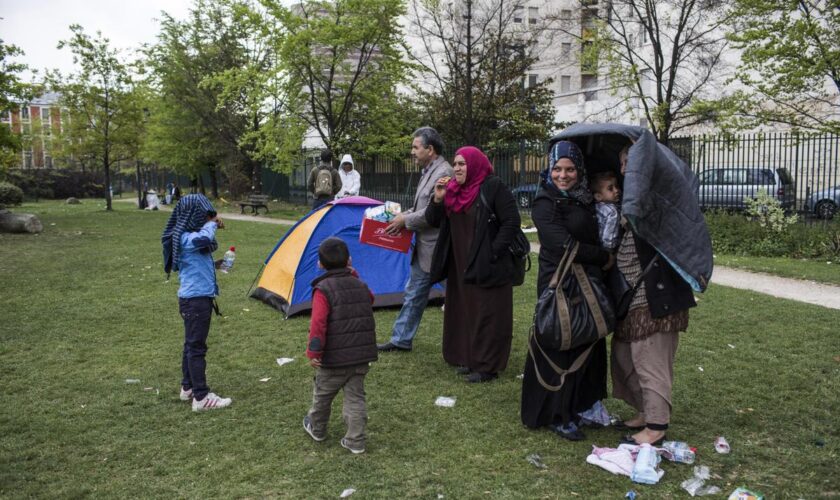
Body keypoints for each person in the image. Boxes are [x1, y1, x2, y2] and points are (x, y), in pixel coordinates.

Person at [520, 141, 612, 441]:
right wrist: (602, 256)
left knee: (589, 337)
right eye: (557, 168)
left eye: (570, 169)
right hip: (560, 281)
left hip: (589, 279)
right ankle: (557, 413)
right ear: (549, 169)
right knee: (563, 338)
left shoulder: (585, 198)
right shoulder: (545, 202)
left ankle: (585, 405)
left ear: (579, 170)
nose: (563, 175)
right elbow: (562, 244)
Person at [611, 145, 696, 446]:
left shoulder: (657, 198)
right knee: (624, 356)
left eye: (630, 163)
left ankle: (656, 427)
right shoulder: (631, 197)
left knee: (651, 361)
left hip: (656, 296)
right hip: (633, 297)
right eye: (622, 163)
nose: (624, 169)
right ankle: (646, 411)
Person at [426, 146, 520, 382]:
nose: (457, 168)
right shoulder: (453, 190)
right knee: (466, 311)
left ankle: (488, 366)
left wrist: (492, 253)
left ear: (475, 165)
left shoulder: (492, 187)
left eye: (462, 164)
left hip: (487, 263)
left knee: (489, 313)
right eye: (455, 164)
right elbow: (433, 221)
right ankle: (469, 358)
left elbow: (511, 222)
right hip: (460, 263)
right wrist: (438, 199)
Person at [377, 127, 453, 352]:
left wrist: (405, 220)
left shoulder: (443, 172)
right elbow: (422, 207)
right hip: (424, 248)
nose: (412, 152)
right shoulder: (428, 171)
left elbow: (434, 214)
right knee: (413, 294)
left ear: (430, 149)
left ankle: (469, 343)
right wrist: (403, 215)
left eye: (415, 147)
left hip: (440, 249)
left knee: (460, 299)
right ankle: (401, 339)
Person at [302, 237, 377, 454]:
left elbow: (318, 323)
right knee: (355, 397)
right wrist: (354, 275)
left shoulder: (322, 289)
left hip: (334, 358)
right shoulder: (360, 284)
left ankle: (317, 428)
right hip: (360, 356)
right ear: (349, 260)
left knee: (323, 394)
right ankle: (356, 440)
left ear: (320, 264)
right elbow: (369, 299)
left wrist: (314, 351)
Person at [161, 194, 232, 412]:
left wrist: (218, 264)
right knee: (196, 347)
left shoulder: (187, 236)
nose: (206, 219)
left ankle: (188, 387)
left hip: (195, 298)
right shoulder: (184, 237)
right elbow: (203, 240)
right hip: (196, 301)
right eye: (203, 215)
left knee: (190, 345)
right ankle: (201, 397)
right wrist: (212, 223)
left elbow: (200, 256)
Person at [591, 171, 622, 250]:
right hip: (608, 250)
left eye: (616, 186)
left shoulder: (596, 207)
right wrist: (610, 252)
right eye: (610, 189)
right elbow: (609, 239)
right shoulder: (612, 212)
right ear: (598, 196)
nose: (616, 190)